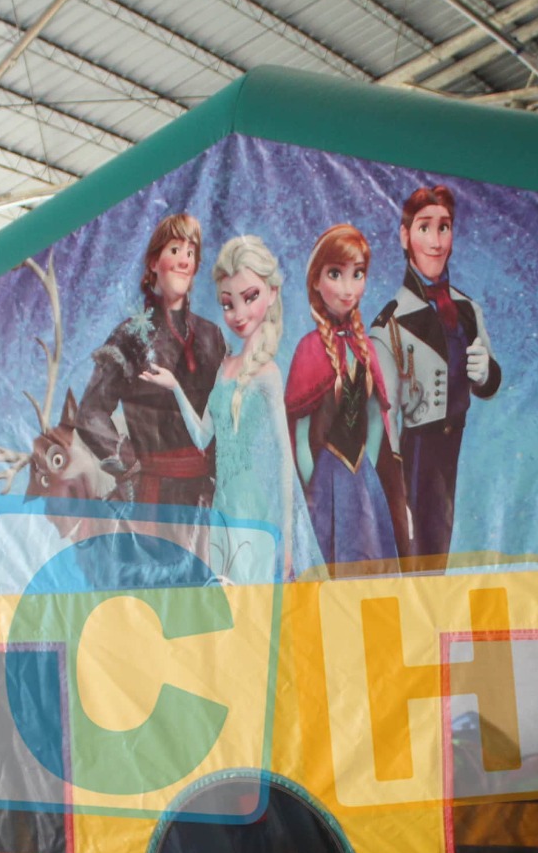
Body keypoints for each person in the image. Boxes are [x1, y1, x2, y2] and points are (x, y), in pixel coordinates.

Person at [142, 235, 321, 582]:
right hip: (222, 509)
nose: (238, 314)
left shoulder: (268, 374)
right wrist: (175, 387)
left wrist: (286, 539)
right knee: (228, 600)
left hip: (252, 508)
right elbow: (202, 436)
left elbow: (284, 459)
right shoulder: (224, 369)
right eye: (228, 304)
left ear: (272, 294)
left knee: (252, 599)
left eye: (249, 298)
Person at [370, 184, 501, 564]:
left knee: (450, 555)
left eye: (444, 227)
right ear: (405, 236)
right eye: (424, 227)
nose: (436, 241)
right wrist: (396, 494)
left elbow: (491, 383)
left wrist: (486, 374)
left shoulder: (467, 309)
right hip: (418, 457)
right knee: (420, 561)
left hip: (459, 450)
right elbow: (385, 420)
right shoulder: (390, 324)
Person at [74, 213, 226, 509]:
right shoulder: (130, 335)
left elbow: (229, 417)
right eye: (175, 250)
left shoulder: (213, 337)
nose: (184, 261)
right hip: (154, 500)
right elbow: (90, 414)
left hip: (209, 500)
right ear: (154, 263)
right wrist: (128, 465)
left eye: (190, 253)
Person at [285, 224, 398, 568]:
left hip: (361, 477)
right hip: (325, 481)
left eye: (357, 274)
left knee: (368, 559)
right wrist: (313, 486)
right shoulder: (309, 349)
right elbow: (300, 433)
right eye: (336, 274)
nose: (348, 289)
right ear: (316, 282)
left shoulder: (365, 349)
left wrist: (368, 474)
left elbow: (376, 419)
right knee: (330, 562)